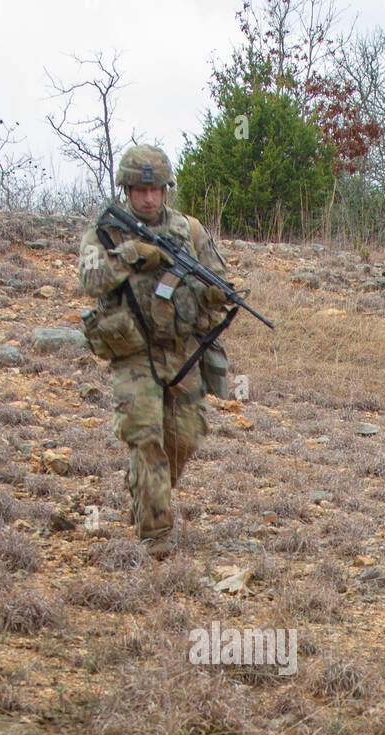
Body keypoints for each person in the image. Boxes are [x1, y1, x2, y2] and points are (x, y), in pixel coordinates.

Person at [78, 144, 230, 558]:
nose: (148, 198)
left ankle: (147, 496)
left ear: (166, 190)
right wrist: (131, 256)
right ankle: (155, 539)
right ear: (126, 190)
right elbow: (91, 281)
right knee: (146, 439)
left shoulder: (190, 230)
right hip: (132, 352)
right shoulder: (106, 232)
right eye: (139, 190)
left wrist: (216, 294)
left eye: (156, 190)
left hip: (181, 351)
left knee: (183, 438)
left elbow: (218, 279)